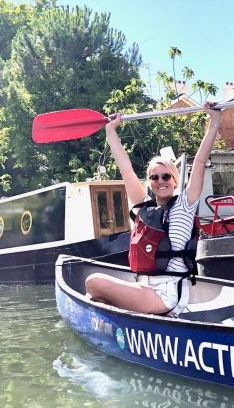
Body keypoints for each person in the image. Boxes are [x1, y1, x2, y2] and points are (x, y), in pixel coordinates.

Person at [85, 102, 222, 316]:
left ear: (175, 180)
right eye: (154, 177)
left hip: (166, 294)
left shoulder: (185, 204)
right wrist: (111, 131)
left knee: (93, 283)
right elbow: (125, 168)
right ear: (150, 182)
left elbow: (200, 160)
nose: (161, 181)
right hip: (145, 287)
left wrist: (214, 121)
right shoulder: (143, 207)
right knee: (95, 294)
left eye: (166, 176)